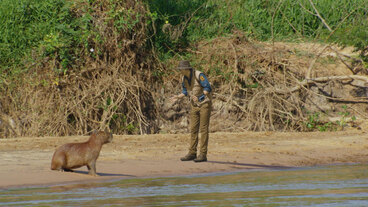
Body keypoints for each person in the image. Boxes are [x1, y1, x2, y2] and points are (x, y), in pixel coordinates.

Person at [170, 60, 212, 162]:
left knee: (203, 129)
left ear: (186, 69)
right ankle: (192, 153)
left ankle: (203, 154)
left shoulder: (199, 75)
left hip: (204, 104)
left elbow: (208, 88)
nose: (180, 71)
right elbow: (185, 91)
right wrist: (178, 97)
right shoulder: (184, 78)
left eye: (181, 69)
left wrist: (201, 97)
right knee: (193, 129)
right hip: (194, 105)